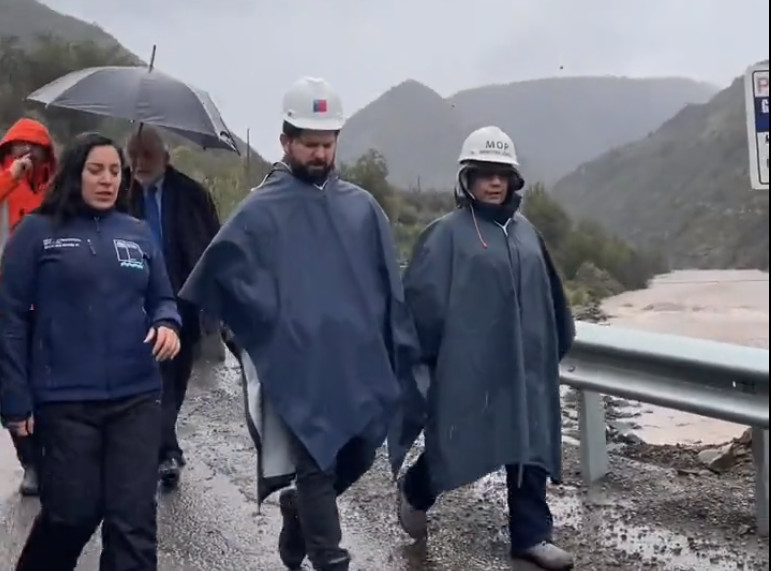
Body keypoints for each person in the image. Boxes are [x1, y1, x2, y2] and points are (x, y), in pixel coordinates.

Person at [179, 76, 420, 571]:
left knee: (358, 452)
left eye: (326, 144)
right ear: (286, 142)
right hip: (299, 367)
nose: (318, 154)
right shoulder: (262, 209)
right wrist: (244, 331)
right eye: (308, 144)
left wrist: (395, 344)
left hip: (357, 362)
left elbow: (385, 284)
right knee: (316, 461)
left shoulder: (362, 208)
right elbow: (221, 270)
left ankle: (297, 513)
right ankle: (330, 558)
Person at [389, 126, 576, 571]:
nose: (494, 183)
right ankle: (416, 490)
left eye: (502, 175)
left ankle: (531, 535)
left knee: (528, 441)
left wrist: (550, 348)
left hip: (525, 367)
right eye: (484, 174)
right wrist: (423, 366)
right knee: (457, 440)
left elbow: (552, 298)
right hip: (468, 367)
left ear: (515, 180)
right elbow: (422, 304)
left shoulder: (528, 234)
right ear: (467, 179)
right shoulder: (447, 235)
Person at [0, 132, 181, 571]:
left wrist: (167, 324)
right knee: (71, 514)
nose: (107, 180)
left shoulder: (136, 233)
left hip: (136, 397)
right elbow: (9, 319)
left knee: (133, 522)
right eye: (95, 170)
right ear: (74, 174)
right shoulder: (37, 233)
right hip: (65, 401)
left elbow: (163, 297)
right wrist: (14, 399)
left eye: (115, 172)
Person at [125, 126, 221, 489]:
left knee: (174, 380)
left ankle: (163, 445)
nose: (139, 163)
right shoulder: (120, 194)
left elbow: (213, 243)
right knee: (146, 379)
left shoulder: (193, 195)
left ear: (165, 158)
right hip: (133, 300)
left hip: (182, 300)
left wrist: (214, 303)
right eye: (134, 155)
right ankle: (163, 451)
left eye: (147, 155)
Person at [0, 117, 57, 496]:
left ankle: (53, 455)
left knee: (50, 383)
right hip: (6, 300)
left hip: (50, 301)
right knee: (10, 384)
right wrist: (11, 178)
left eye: (32, 148)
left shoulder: (56, 191)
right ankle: (30, 463)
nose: (24, 154)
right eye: (17, 148)